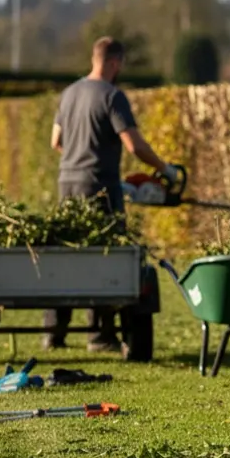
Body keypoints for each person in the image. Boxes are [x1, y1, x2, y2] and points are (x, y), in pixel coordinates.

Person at [42, 36, 180, 352]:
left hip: (67, 185)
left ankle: (54, 331)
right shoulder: (112, 96)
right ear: (115, 62)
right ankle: (100, 335)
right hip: (99, 187)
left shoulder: (70, 93)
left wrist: (79, 156)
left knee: (66, 253)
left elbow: (55, 141)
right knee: (103, 256)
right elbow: (134, 145)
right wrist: (165, 169)